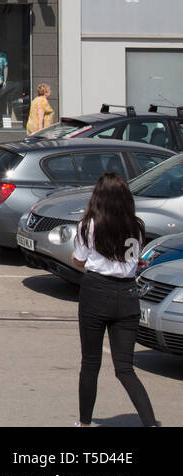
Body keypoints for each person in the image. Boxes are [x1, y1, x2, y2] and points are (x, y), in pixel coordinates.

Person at [71, 173, 158, 428]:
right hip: (128, 296)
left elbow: (80, 259)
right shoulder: (136, 225)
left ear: (99, 197)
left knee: (90, 363)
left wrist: (85, 260)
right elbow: (131, 260)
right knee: (125, 368)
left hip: (96, 292)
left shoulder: (88, 225)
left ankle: (84, 423)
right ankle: (151, 423)